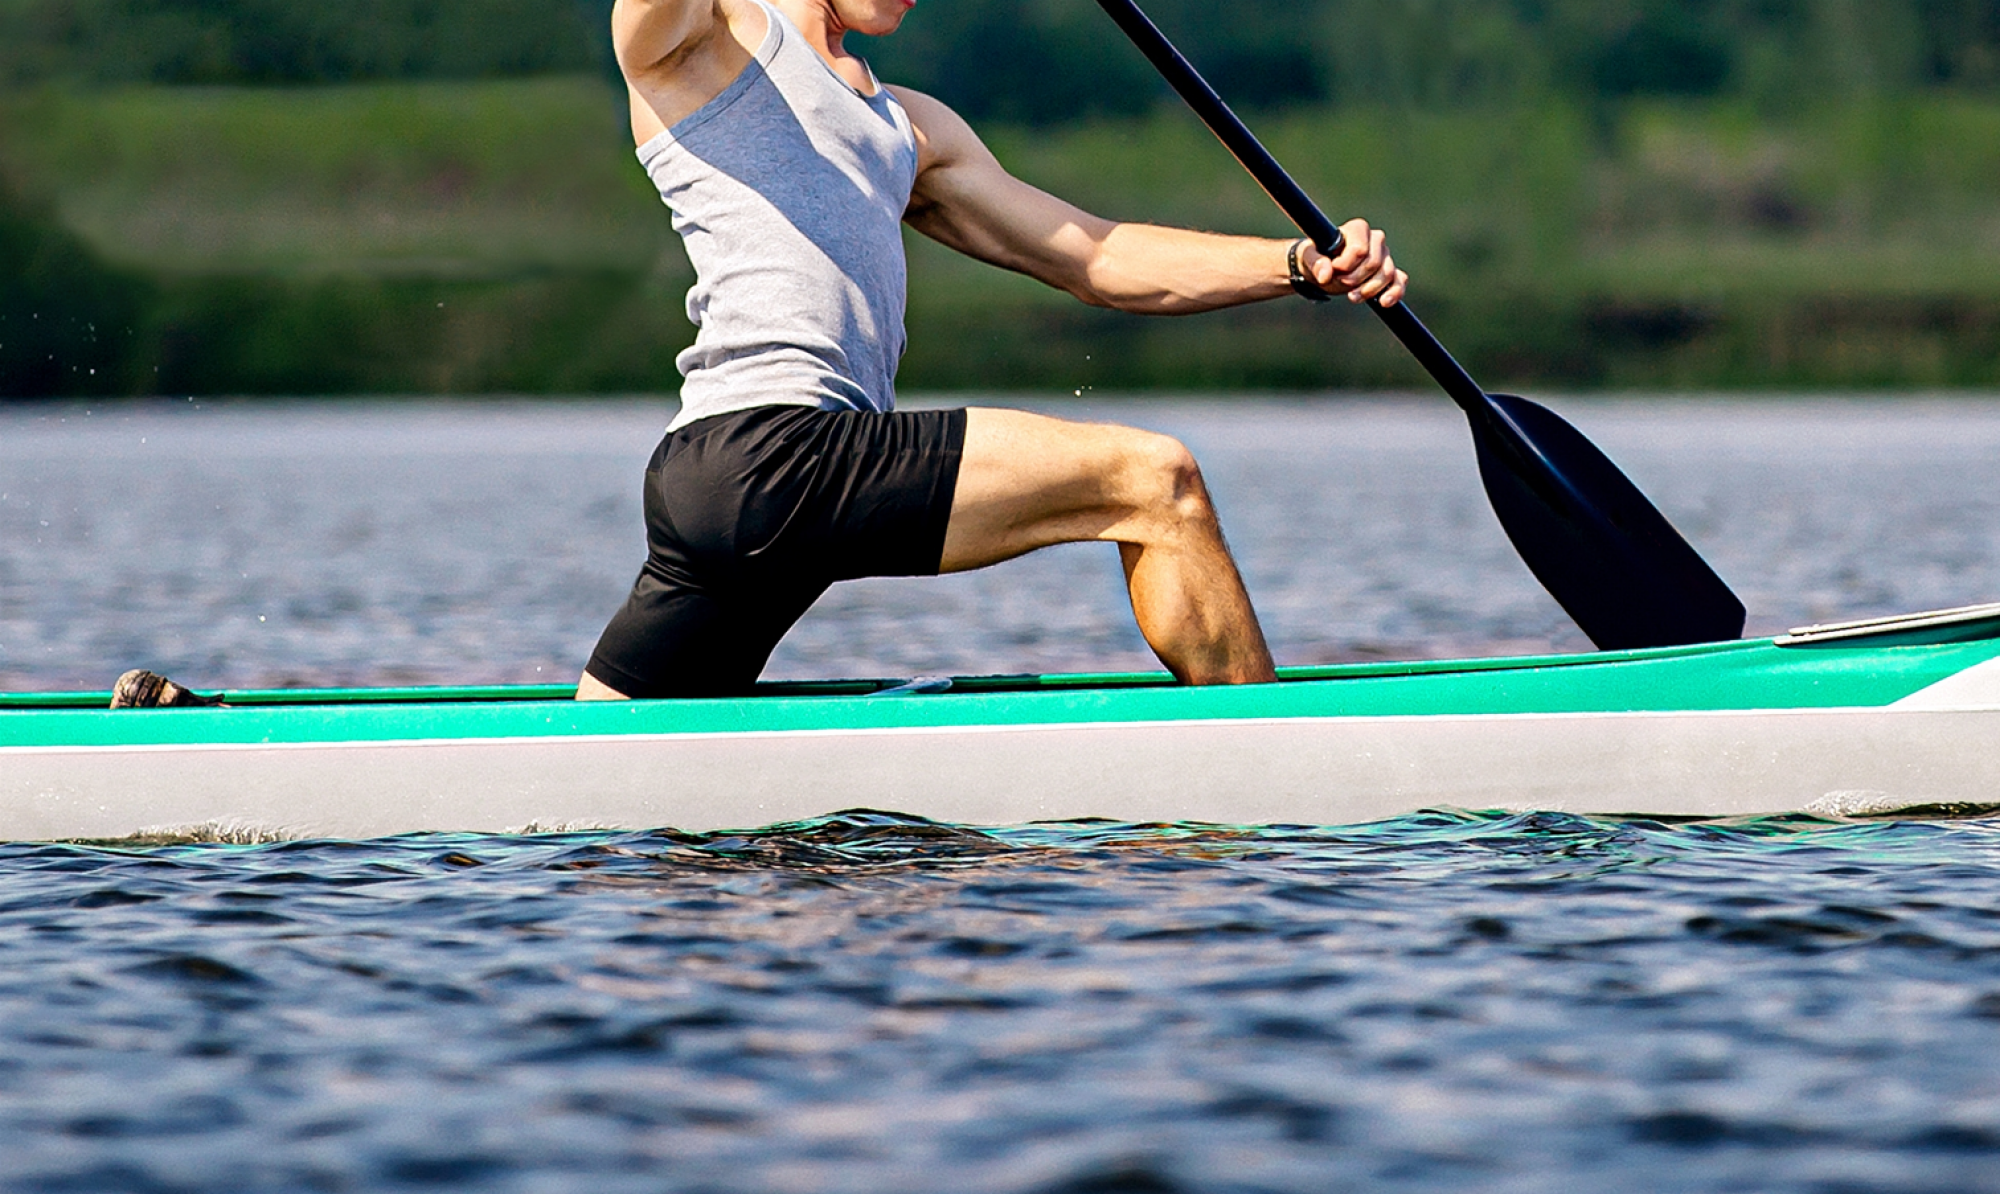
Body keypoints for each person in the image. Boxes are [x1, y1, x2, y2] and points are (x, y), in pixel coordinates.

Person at [578, 0, 1409, 701]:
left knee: (592, 762)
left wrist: (1298, 265)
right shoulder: (701, 49)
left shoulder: (910, 126)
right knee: (1157, 482)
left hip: (754, 497)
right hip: (767, 454)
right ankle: (1269, 770)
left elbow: (1092, 256)